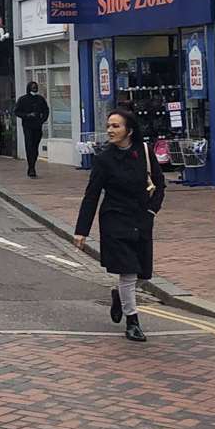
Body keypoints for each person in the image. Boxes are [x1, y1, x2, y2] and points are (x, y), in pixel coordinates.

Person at [74, 109, 164, 343]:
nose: (110, 130)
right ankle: (132, 322)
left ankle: (120, 296)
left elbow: (160, 184)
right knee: (128, 271)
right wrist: (81, 230)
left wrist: (152, 210)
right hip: (115, 220)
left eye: (116, 126)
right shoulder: (104, 159)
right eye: (109, 126)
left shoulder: (144, 152)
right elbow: (91, 195)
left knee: (142, 273)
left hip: (141, 219)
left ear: (129, 130)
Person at [15, 81, 51, 178]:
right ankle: (31, 168)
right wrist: (27, 115)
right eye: (33, 87)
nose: (35, 88)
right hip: (27, 126)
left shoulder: (40, 99)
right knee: (29, 145)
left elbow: (46, 110)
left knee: (35, 147)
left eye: (36, 87)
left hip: (37, 126)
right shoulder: (23, 99)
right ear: (29, 88)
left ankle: (33, 164)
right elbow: (17, 111)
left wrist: (42, 120)